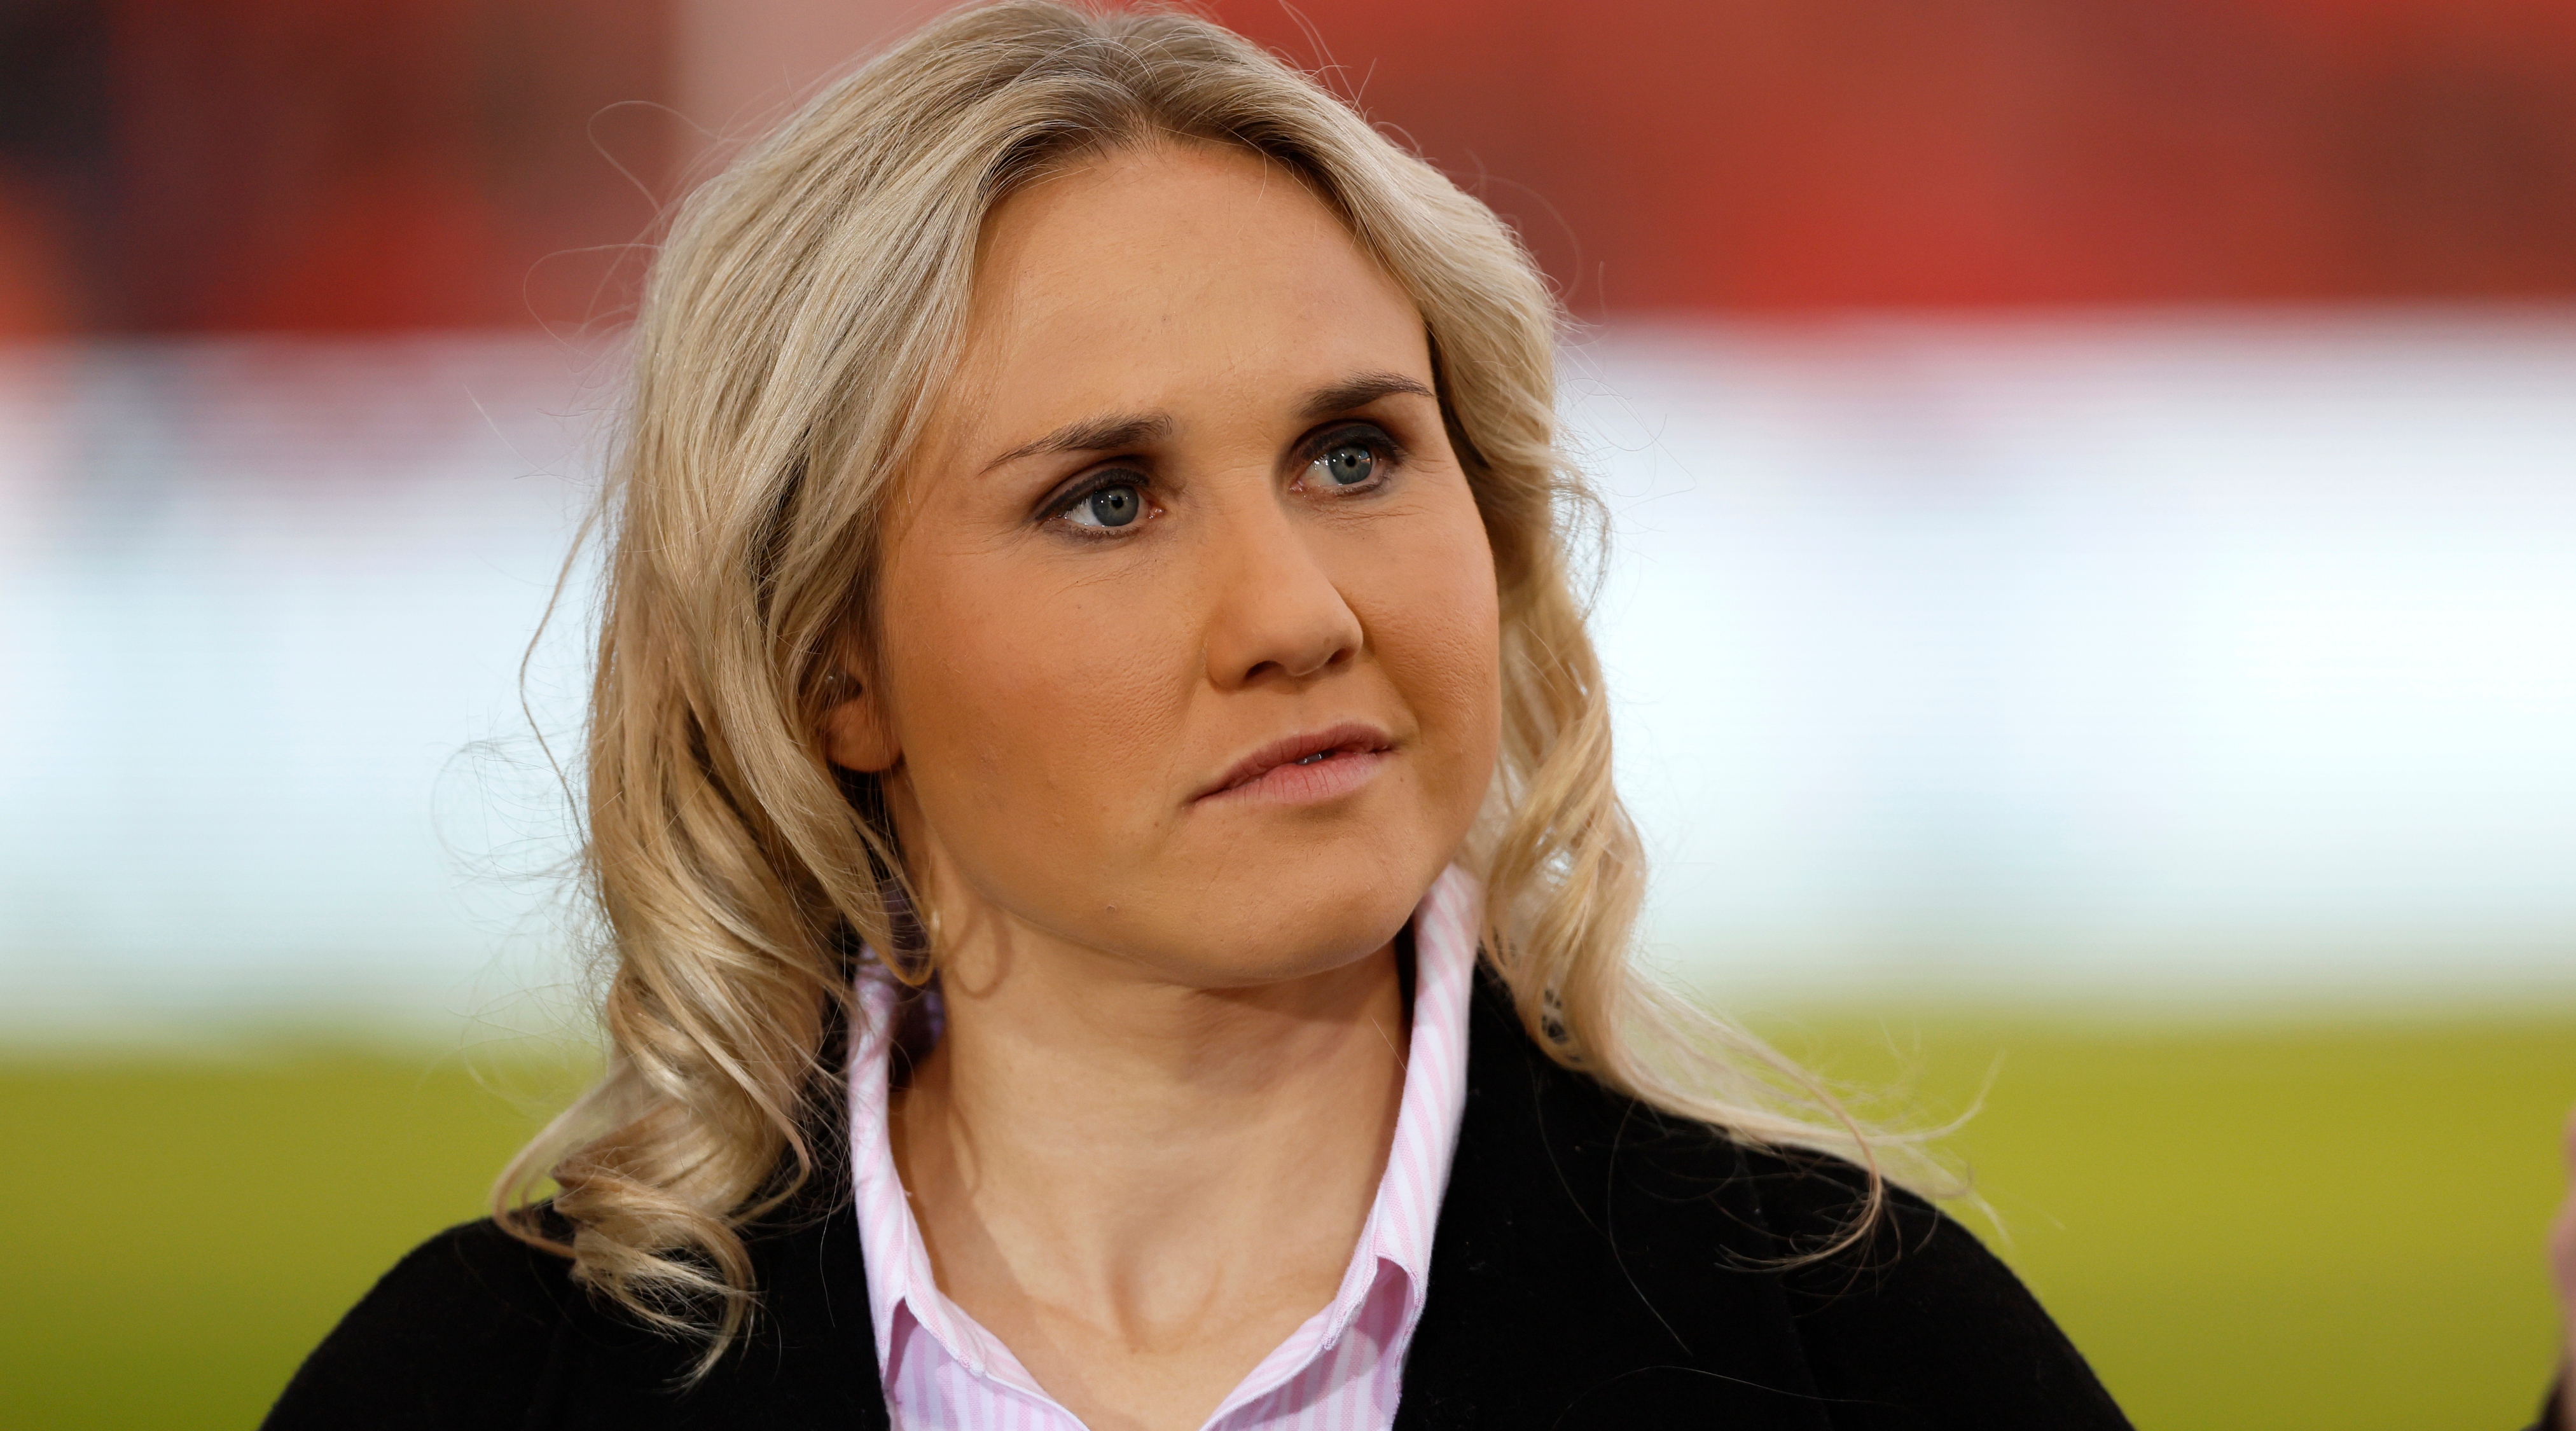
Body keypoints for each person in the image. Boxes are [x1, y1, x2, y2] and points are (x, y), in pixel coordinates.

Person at [266, 4, 2153, 1427]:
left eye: (1352, 454)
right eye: (1106, 497)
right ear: (830, 666)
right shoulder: (469, 1390)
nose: (1296, 611)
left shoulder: (1873, 1363)